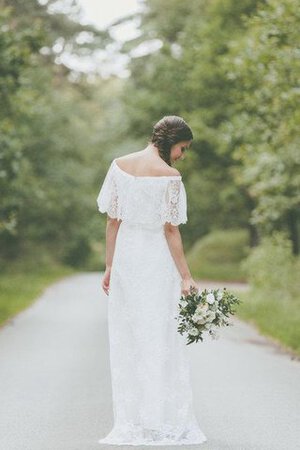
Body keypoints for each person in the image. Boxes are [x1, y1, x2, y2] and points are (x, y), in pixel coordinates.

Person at [96, 115, 207, 446]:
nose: (181, 156)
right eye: (182, 148)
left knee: (128, 335)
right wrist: (186, 276)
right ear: (170, 142)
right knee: (158, 334)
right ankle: (158, 417)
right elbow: (170, 229)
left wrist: (110, 266)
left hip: (128, 259)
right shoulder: (170, 177)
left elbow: (112, 222)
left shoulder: (119, 166)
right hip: (156, 260)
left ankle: (133, 419)